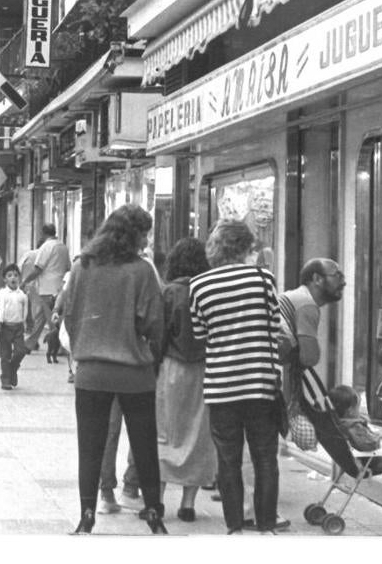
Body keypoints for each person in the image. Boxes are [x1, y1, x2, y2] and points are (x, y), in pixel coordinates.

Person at [65, 205, 167, 535]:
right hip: (134, 373)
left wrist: (84, 347)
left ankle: (87, 514)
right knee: (144, 445)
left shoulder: (82, 265)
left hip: (91, 372)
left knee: (90, 446)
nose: (146, 241)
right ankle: (154, 512)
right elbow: (154, 322)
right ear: (132, 235)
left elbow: (70, 314)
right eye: (144, 234)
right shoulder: (142, 271)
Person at [189, 219, 283, 534]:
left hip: (221, 386)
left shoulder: (199, 285)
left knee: (228, 459)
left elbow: (200, 333)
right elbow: (274, 323)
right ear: (245, 247)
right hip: (260, 384)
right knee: (265, 457)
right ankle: (266, 526)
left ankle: (234, 528)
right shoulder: (262, 278)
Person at [154, 237, 215, 523]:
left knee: (165, 432)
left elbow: (159, 335)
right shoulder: (208, 291)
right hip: (204, 370)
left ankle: (157, 499)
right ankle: (188, 503)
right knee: (197, 436)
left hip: (171, 369)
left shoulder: (169, 292)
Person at [326, 384, 382, 501]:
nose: (359, 411)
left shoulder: (337, 424)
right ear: (350, 411)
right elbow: (368, 446)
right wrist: (377, 437)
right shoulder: (354, 426)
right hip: (365, 462)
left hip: (348, 462)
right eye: (357, 408)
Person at [21, 224, 71, 354]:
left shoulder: (46, 246)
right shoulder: (63, 247)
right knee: (43, 317)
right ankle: (30, 344)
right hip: (60, 287)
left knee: (48, 319)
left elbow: (38, 268)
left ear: (43, 234)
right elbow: (68, 267)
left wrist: (25, 281)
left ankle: (59, 347)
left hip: (46, 287)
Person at [0, 264, 28, 390]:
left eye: (16, 275)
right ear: (4, 279)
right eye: (9, 275)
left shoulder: (22, 295)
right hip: (4, 328)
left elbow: (27, 311)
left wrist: (28, 324)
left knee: (21, 351)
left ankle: (13, 368)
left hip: (18, 327)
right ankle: (6, 379)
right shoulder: (1, 294)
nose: (13, 278)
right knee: (5, 355)